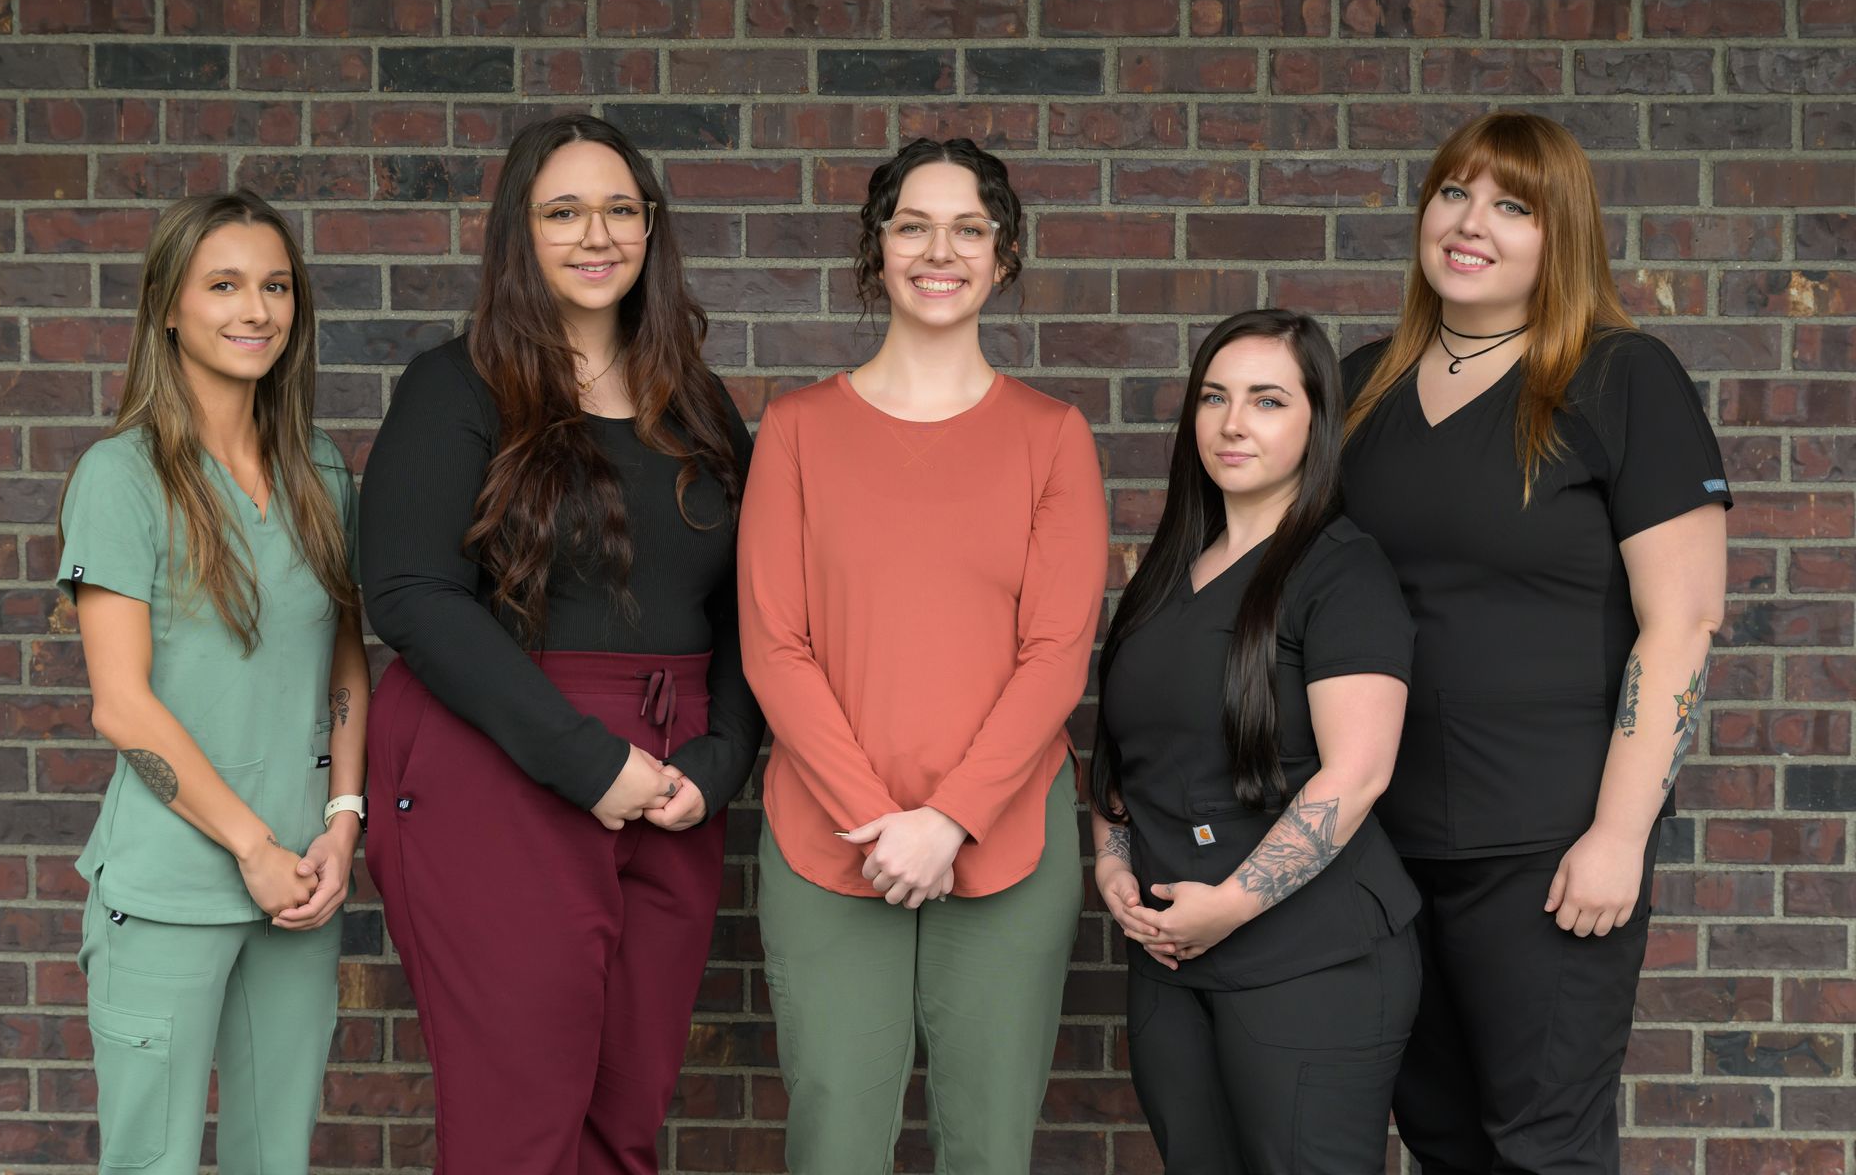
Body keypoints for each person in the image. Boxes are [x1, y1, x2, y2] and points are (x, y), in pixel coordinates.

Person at [359, 113, 762, 1173]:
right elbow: (410, 594)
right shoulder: (458, 386)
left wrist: (720, 760)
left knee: (624, 1123)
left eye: (621, 208)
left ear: (652, 227)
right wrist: (587, 761)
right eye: (564, 211)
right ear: (518, 231)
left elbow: (752, 602)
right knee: (520, 1131)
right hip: (501, 764)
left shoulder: (698, 401)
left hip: (675, 782)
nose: (597, 235)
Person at [1339, 111, 1731, 1174]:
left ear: (1563, 238)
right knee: (1441, 1139)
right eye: (1454, 193)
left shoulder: (1619, 377)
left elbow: (1684, 622)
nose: (1472, 223)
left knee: (1542, 1147)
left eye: (1513, 206)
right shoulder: (1361, 385)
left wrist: (1618, 832)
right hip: (1382, 843)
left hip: (1548, 845)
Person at [738, 137, 1109, 1174]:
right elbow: (774, 644)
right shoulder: (798, 430)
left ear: (1003, 255)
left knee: (987, 1146)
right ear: (877, 249)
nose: (939, 251)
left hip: (1006, 839)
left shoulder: (1052, 436)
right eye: (913, 226)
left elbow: (1056, 655)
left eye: (967, 229)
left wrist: (947, 820)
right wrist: (879, 819)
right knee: (835, 1141)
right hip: (829, 836)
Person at [59, 190, 366, 1174]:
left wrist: (343, 822)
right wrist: (251, 845)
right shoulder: (122, 477)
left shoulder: (322, 472)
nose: (256, 309)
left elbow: (344, 659)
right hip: (171, 889)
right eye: (224, 285)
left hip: (302, 885)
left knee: (274, 1161)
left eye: (276, 286)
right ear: (168, 308)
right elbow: (121, 704)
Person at [1091, 309, 1421, 1174]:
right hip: (1170, 963)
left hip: (1312, 964)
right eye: (1215, 398)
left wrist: (1231, 904)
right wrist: (1113, 864)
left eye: (1268, 401)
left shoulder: (1343, 572)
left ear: (1318, 422)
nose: (1233, 423)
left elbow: (1359, 771)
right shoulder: (1168, 570)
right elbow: (1127, 754)